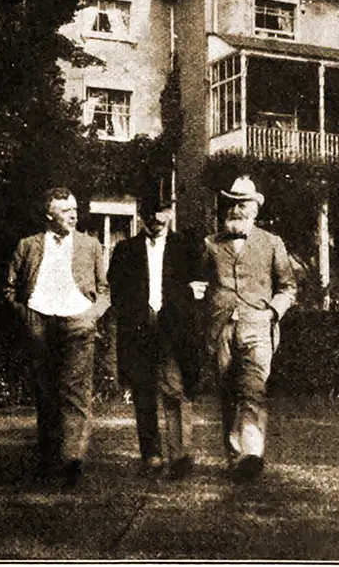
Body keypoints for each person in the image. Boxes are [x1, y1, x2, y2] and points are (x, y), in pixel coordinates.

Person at [4, 186, 110, 486]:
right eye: (65, 210)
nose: (73, 214)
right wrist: (26, 316)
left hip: (77, 322)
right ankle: (49, 459)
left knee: (75, 393)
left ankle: (72, 460)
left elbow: (105, 289)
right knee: (46, 392)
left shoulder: (90, 245)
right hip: (40, 323)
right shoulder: (28, 246)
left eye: (75, 208)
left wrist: (91, 315)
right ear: (49, 215)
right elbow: (9, 289)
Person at [197, 176, 296, 483]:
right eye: (232, 203)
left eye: (243, 204)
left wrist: (272, 312)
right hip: (221, 328)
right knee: (228, 393)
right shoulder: (211, 244)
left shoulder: (271, 243)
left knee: (253, 388)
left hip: (258, 327)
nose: (237, 210)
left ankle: (251, 453)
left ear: (255, 208)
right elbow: (199, 283)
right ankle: (233, 456)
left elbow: (288, 287)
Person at [107, 194, 202, 480]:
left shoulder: (185, 248)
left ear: (170, 213)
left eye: (162, 212)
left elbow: (199, 288)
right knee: (143, 395)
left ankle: (180, 455)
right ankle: (151, 455)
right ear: (140, 215)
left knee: (175, 390)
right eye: (151, 213)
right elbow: (117, 294)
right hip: (138, 332)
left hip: (173, 332)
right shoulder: (125, 250)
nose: (157, 219)